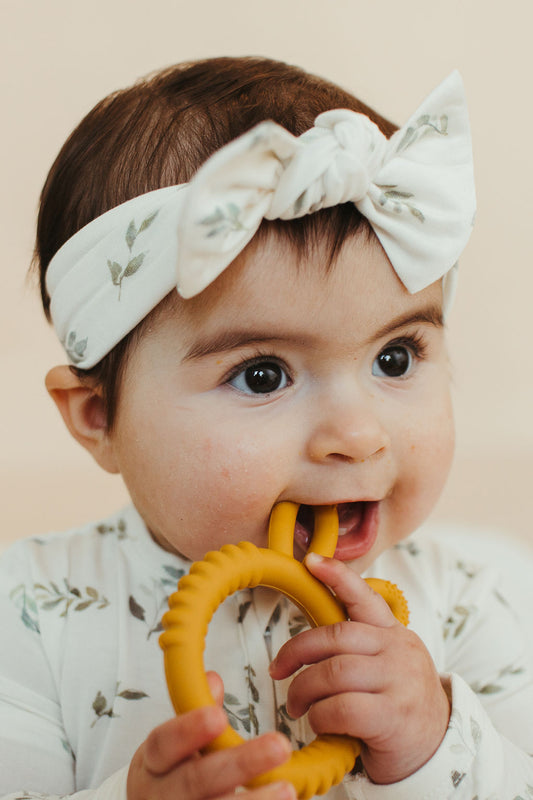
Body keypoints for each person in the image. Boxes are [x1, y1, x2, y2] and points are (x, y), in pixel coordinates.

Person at [0, 56, 531, 800]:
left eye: (395, 355)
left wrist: (433, 745)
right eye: (262, 375)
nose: (358, 433)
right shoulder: (28, 612)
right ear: (99, 418)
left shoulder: (482, 596)